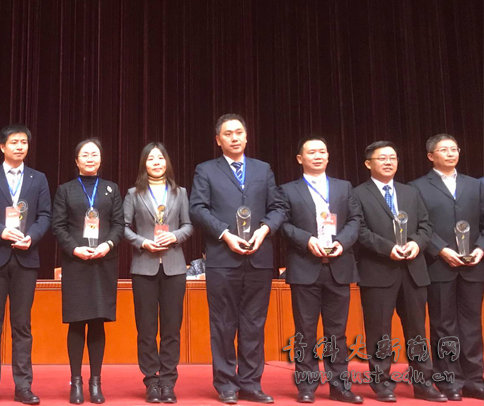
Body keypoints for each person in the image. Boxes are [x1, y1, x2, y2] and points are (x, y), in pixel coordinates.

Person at [189, 114, 288, 404]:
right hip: (223, 258)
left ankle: (251, 383)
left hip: (259, 256)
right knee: (223, 324)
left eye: (239, 132)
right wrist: (225, 235)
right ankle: (226, 385)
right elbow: (197, 208)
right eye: (227, 133)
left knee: (254, 323)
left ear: (246, 137)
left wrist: (264, 230)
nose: (234, 138)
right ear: (218, 140)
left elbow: (279, 207)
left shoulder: (263, 169)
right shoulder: (206, 170)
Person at [354, 141, 446, 402]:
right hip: (378, 271)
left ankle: (423, 383)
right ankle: (382, 383)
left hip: (413, 270)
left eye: (392, 157)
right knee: (379, 332)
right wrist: (388, 248)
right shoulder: (357, 194)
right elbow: (359, 231)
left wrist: (416, 243)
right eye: (382, 158)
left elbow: (426, 226)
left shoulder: (410, 192)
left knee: (417, 331)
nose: (388, 162)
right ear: (368, 163)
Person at [0, 124, 52, 405]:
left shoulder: (38, 178)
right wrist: (1, 232)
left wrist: (32, 236)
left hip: (26, 258)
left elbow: (45, 216)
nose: (19, 146)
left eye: (23, 142)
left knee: (22, 326)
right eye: (14, 142)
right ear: (2, 146)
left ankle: (23, 386)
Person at [279, 136, 363, 404]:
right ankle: (306, 386)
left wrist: (342, 242)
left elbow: (356, 220)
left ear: (328, 156)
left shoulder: (344, 187)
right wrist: (307, 240)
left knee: (337, 332)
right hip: (305, 267)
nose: (317, 156)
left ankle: (340, 386)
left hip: (338, 266)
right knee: (305, 331)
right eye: (311, 152)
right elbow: (283, 225)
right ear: (300, 159)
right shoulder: (287, 190)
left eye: (322, 152)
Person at [409, 134, 484, 401]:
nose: (451, 153)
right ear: (431, 156)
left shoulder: (475, 185)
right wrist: (440, 249)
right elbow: (419, 226)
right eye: (444, 150)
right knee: (443, 325)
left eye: (454, 149)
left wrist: (480, 247)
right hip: (439, 264)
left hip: (473, 264)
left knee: (472, 324)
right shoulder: (417, 187)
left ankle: (474, 380)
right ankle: (448, 380)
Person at [52, 139, 124, 404]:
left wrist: (107, 245)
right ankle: (76, 382)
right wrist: (75, 249)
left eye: (95, 154)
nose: (90, 158)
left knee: (97, 322)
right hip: (76, 263)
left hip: (103, 262)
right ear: (76, 160)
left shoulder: (111, 189)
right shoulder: (65, 190)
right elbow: (58, 226)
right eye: (85, 154)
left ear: (100, 159)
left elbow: (119, 224)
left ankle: (96, 382)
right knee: (76, 322)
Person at [123, 142, 193, 403]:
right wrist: (143, 242)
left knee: (172, 328)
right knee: (146, 328)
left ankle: (168, 381)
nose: (156, 162)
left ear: (167, 162)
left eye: (160, 158)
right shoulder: (133, 193)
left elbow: (188, 225)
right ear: (144, 163)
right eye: (151, 158)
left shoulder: (180, 192)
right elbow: (123, 226)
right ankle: (151, 382)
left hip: (174, 267)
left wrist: (174, 237)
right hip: (144, 267)